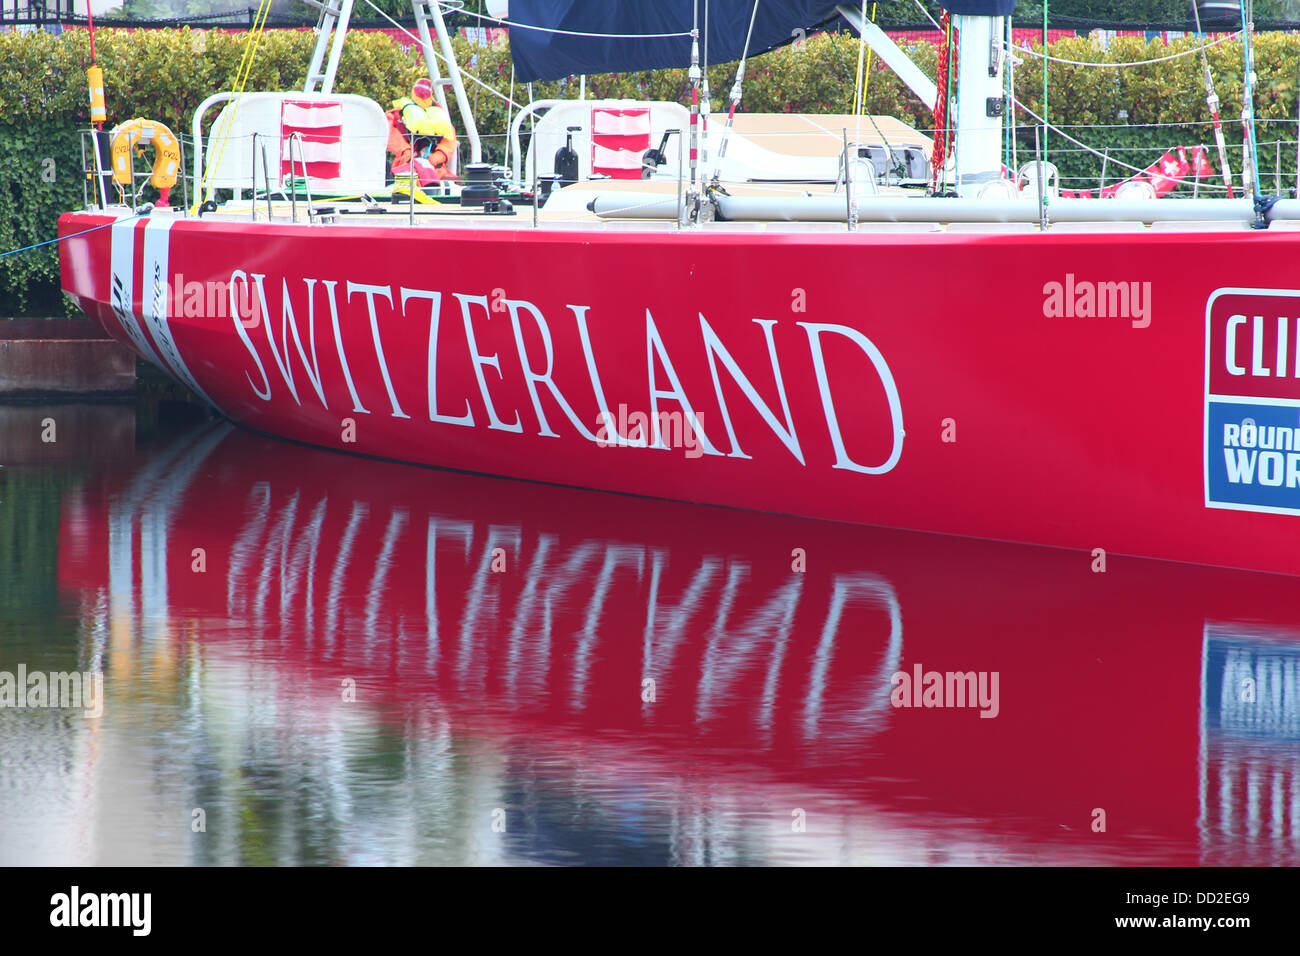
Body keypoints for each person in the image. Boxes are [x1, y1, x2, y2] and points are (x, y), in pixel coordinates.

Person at [387, 78, 458, 186]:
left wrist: (436, 157)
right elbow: (388, 132)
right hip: (408, 165)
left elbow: (449, 142)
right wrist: (406, 152)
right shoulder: (396, 115)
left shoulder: (440, 116)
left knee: (445, 182)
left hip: (434, 168)